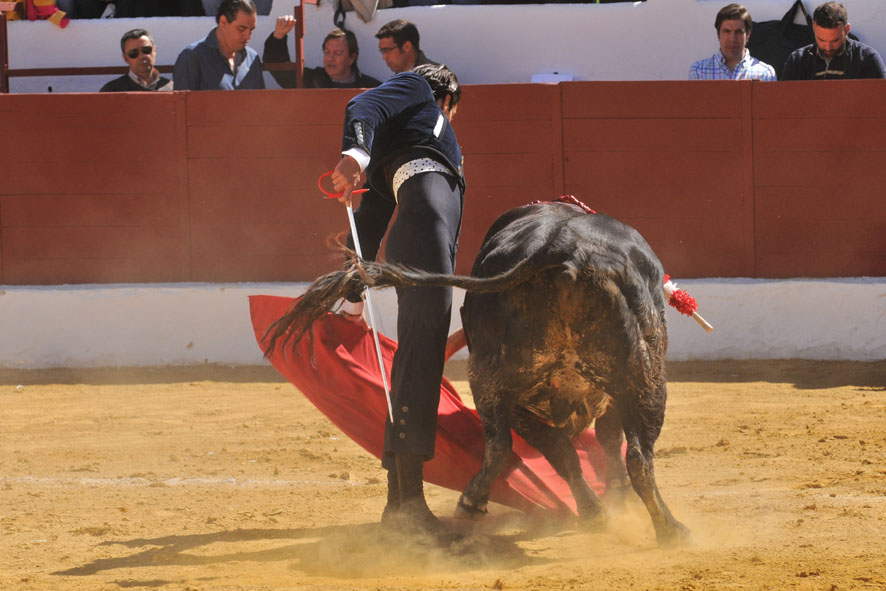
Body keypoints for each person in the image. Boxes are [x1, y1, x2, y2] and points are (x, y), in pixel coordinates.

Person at [330, 64, 463, 534]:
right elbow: (363, 103)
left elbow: (365, 232)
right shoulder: (417, 87)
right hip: (426, 228)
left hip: (422, 230)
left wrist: (351, 302)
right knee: (420, 357)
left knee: (416, 358)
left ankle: (401, 502)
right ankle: (407, 508)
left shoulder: (393, 153)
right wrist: (355, 154)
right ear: (445, 101)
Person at [263, 17, 382, 89]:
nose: (330, 58)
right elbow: (279, 69)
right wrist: (279, 35)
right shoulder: (310, 80)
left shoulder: (371, 88)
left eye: (337, 53)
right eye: (327, 52)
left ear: (351, 57)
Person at [173, 0, 265, 91]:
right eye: (241, 29)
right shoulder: (192, 57)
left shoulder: (252, 57)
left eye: (251, 30)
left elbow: (260, 99)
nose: (248, 36)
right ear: (223, 22)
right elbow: (182, 99)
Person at [781, 2, 886, 80]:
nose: (828, 47)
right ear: (813, 27)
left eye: (835, 40)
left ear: (847, 29)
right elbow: (784, 99)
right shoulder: (797, 60)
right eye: (821, 40)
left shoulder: (867, 59)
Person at [689, 4, 776, 81]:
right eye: (727, 31)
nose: (732, 39)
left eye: (738, 32)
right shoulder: (699, 71)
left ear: (748, 34)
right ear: (718, 34)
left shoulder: (765, 74)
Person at [100, 29, 174, 92]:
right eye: (133, 53)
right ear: (125, 58)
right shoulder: (111, 90)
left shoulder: (173, 88)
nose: (142, 56)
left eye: (146, 50)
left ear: (154, 51)